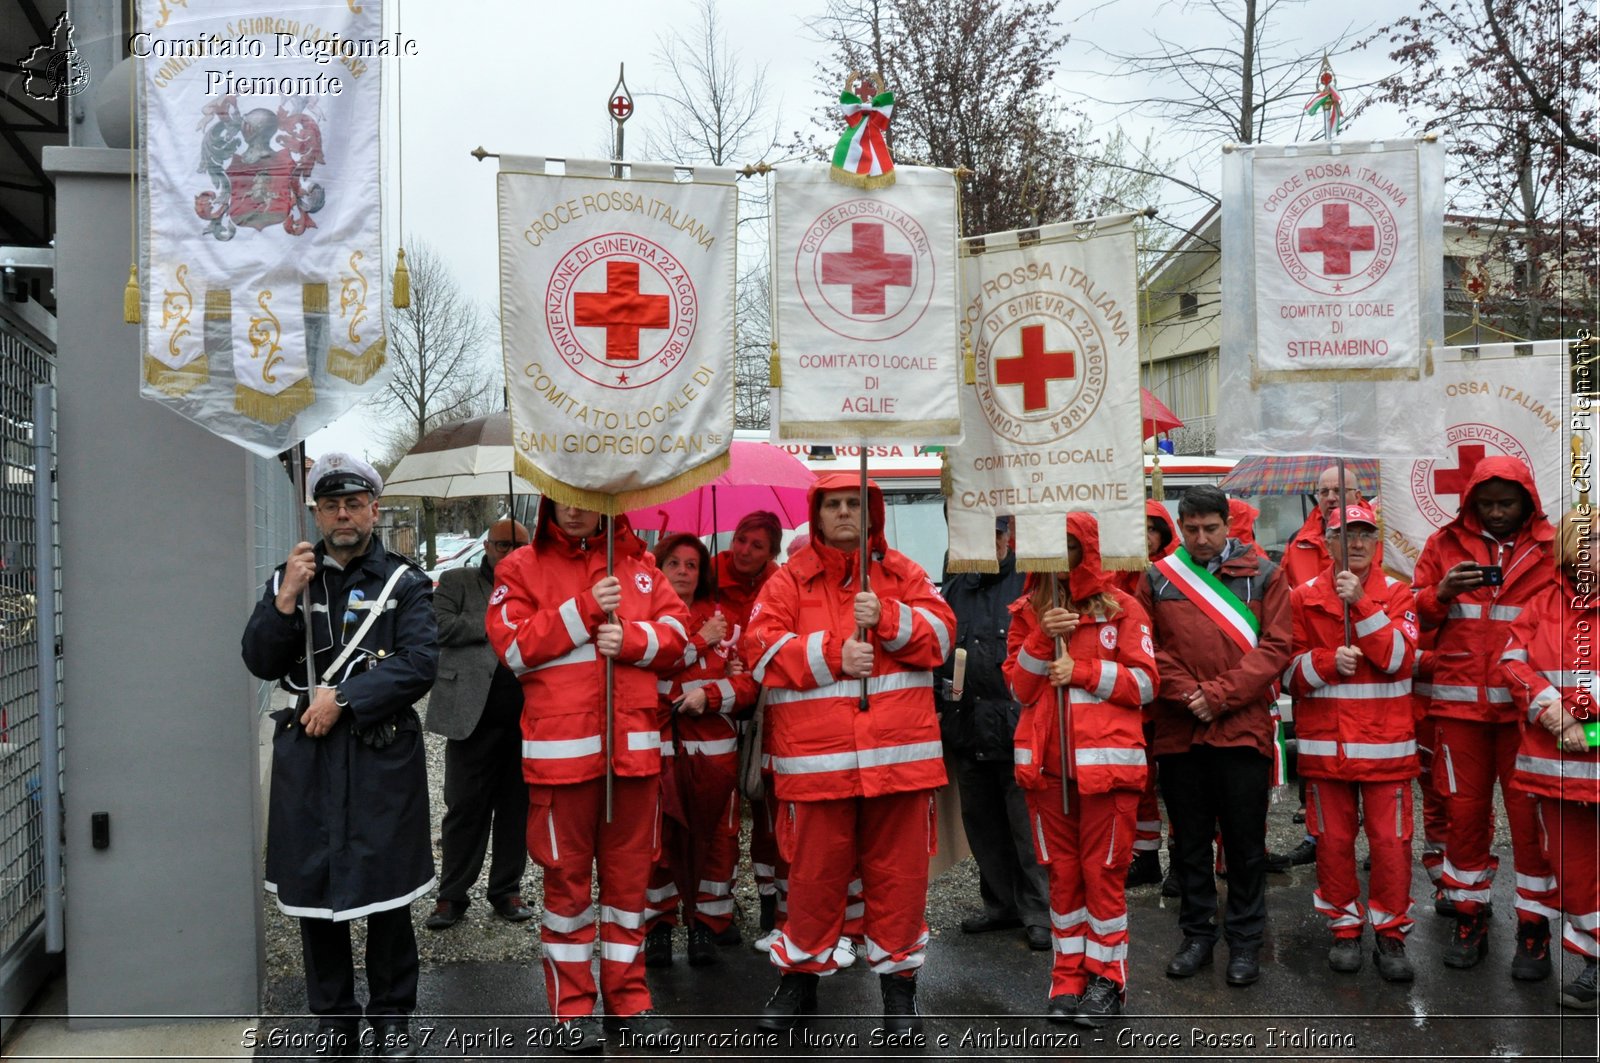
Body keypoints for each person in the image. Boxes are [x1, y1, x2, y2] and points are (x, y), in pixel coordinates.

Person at [241, 453, 437, 1060]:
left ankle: (391, 1020)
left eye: (354, 504)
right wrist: (284, 601)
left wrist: (346, 698)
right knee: (315, 894)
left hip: (379, 758)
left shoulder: (405, 583)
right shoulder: (292, 577)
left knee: (386, 893)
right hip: (310, 758)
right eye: (331, 505)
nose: (343, 515)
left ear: (374, 510)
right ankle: (334, 1025)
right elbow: (259, 660)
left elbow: (418, 663)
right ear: (317, 513)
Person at [746, 473, 955, 1034]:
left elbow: (941, 636)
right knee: (812, 884)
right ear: (816, 516)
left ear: (871, 513)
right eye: (832, 504)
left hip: (898, 764)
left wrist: (885, 618)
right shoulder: (788, 581)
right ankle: (798, 984)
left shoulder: (904, 573)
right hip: (816, 769)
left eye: (853, 503)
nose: (843, 513)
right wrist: (838, 654)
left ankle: (899, 994)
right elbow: (760, 653)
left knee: (899, 884)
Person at [484, 500, 691, 1048]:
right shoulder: (520, 567)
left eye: (587, 500)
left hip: (634, 761)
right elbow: (515, 649)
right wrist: (583, 610)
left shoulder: (642, 568)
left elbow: (680, 638)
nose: (575, 510)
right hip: (562, 763)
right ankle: (571, 1011)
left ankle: (630, 1002)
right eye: (565, 497)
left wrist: (633, 641)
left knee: (629, 893)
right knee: (567, 895)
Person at [1004, 513, 1157, 1026]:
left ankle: (1107, 982)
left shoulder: (1124, 609)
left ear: (1086, 550)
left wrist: (1085, 672)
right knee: (1064, 880)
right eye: (1048, 549)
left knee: (1103, 877)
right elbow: (1019, 689)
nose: (1058, 559)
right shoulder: (1028, 611)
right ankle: (1066, 979)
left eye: (1068, 547)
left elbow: (1147, 685)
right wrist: (1042, 639)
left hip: (1107, 774)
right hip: (1047, 775)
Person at [1136, 484, 1291, 988]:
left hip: (1241, 727)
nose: (1201, 538)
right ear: (1180, 526)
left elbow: (1275, 648)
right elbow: (1148, 646)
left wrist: (1219, 695)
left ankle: (1244, 941)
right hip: (1181, 730)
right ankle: (1197, 935)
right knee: (1190, 843)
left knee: (1246, 845)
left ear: (1228, 524)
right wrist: (1188, 694)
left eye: (1210, 527)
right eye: (1192, 528)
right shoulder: (1156, 579)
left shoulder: (1265, 574)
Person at [1413, 457, 1558, 976]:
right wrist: (1441, 593)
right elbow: (1414, 615)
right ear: (1471, 502)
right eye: (1487, 503)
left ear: (1528, 502)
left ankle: (1534, 929)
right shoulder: (1442, 545)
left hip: (1528, 714)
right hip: (1460, 708)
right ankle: (1469, 916)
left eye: (1507, 503)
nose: (1497, 513)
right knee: (1465, 820)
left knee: (1530, 824)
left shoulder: (1552, 548)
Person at [1283, 503, 1420, 982]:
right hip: (1327, 752)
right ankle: (1344, 926)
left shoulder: (1398, 593)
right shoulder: (1301, 597)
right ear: (1327, 540)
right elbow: (1285, 675)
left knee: (1391, 845)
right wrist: (1322, 663)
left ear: (1375, 539)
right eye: (1345, 534)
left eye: (1364, 533)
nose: (1356, 543)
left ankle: (1391, 932)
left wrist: (1361, 603)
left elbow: (1401, 659)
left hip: (1387, 752)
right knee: (1333, 844)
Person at [643, 532, 758, 967]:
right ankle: (657, 928)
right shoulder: (645, 620)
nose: (684, 573)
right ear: (659, 568)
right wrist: (699, 643)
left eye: (693, 565)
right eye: (675, 563)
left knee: (718, 842)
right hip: (661, 751)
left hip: (716, 754)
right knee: (660, 841)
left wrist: (710, 696)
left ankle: (705, 927)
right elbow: (649, 672)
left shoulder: (725, 621)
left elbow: (748, 686)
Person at [1501, 507, 1600, 1009]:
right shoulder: (1541, 605)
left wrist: (1588, 718)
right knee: (1578, 875)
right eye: (1591, 539)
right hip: (1562, 773)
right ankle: (1596, 965)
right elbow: (1513, 664)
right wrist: (1555, 711)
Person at [936, 517, 1050, 951]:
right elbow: (940, 657)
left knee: (1027, 828)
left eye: (994, 536)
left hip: (1018, 729)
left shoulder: (1030, 583)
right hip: (967, 728)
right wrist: (942, 701)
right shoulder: (953, 589)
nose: (986, 546)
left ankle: (1039, 910)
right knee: (982, 825)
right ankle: (1000, 904)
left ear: (1007, 537)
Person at [423, 519, 535, 931]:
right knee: (464, 808)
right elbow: (436, 626)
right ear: (487, 545)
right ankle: (452, 895)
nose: (509, 552)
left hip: (523, 719)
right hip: (470, 715)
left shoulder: (535, 586)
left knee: (515, 809)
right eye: (502, 544)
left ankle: (506, 890)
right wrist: (494, 624)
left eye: (518, 546)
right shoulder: (457, 581)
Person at [711, 511, 785, 946]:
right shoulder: (707, 577)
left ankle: (769, 897)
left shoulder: (780, 584)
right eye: (741, 538)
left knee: (764, 807)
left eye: (757, 546)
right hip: (717, 711)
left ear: (771, 554)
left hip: (762, 712)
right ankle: (717, 907)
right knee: (721, 815)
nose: (744, 550)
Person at [1112, 500, 1178, 890]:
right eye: (1140, 528)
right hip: (1134, 692)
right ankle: (1146, 855)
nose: (1146, 536)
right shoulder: (1117, 574)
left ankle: (1181, 860)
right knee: (1139, 780)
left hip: (1168, 690)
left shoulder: (1177, 574)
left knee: (1175, 779)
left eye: (1153, 529)